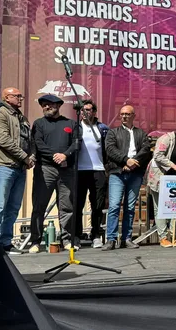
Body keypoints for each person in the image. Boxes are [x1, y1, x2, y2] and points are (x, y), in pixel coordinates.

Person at [29, 94, 80, 253]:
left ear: (58, 106)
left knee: (67, 207)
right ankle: (35, 242)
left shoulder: (71, 123)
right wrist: (56, 156)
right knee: (39, 206)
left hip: (67, 170)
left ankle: (67, 240)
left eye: (49, 105)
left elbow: (77, 143)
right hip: (45, 169)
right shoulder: (39, 124)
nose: (46, 107)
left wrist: (65, 155)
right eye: (43, 105)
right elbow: (38, 144)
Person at [0, 87, 35, 255]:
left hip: (19, 168)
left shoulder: (22, 118)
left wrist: (32, 156)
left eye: (21, 96)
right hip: (3, 166)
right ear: (7, 98)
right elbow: (4, 140)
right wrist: (25, 157)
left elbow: (29, 141)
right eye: (17, 96)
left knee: (13, 207)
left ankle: (6, 242)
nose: (21, 98)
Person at [102, 105, 151, 251]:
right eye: (122, 114)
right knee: (115, 205)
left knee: (130, 207)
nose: (124, 116)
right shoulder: (113, 132)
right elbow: (110, 149)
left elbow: (146, 149)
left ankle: (127, 238)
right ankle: (111, 239)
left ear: (133, 116)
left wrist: (133, 162)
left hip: (135, 173)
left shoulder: (141, 133)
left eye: (127, 114)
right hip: (117, 173)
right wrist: (125, 160)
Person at [76, 100, 109, 249]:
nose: (85, 112)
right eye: (83, 110)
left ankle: (96, 234)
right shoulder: (76, 127)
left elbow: (108, 149)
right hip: (80, 171)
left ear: (94, 112)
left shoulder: (102, 128)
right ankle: (76, 235)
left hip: (98, 170)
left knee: (97, 204)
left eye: (89, 110)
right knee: (78, 204)